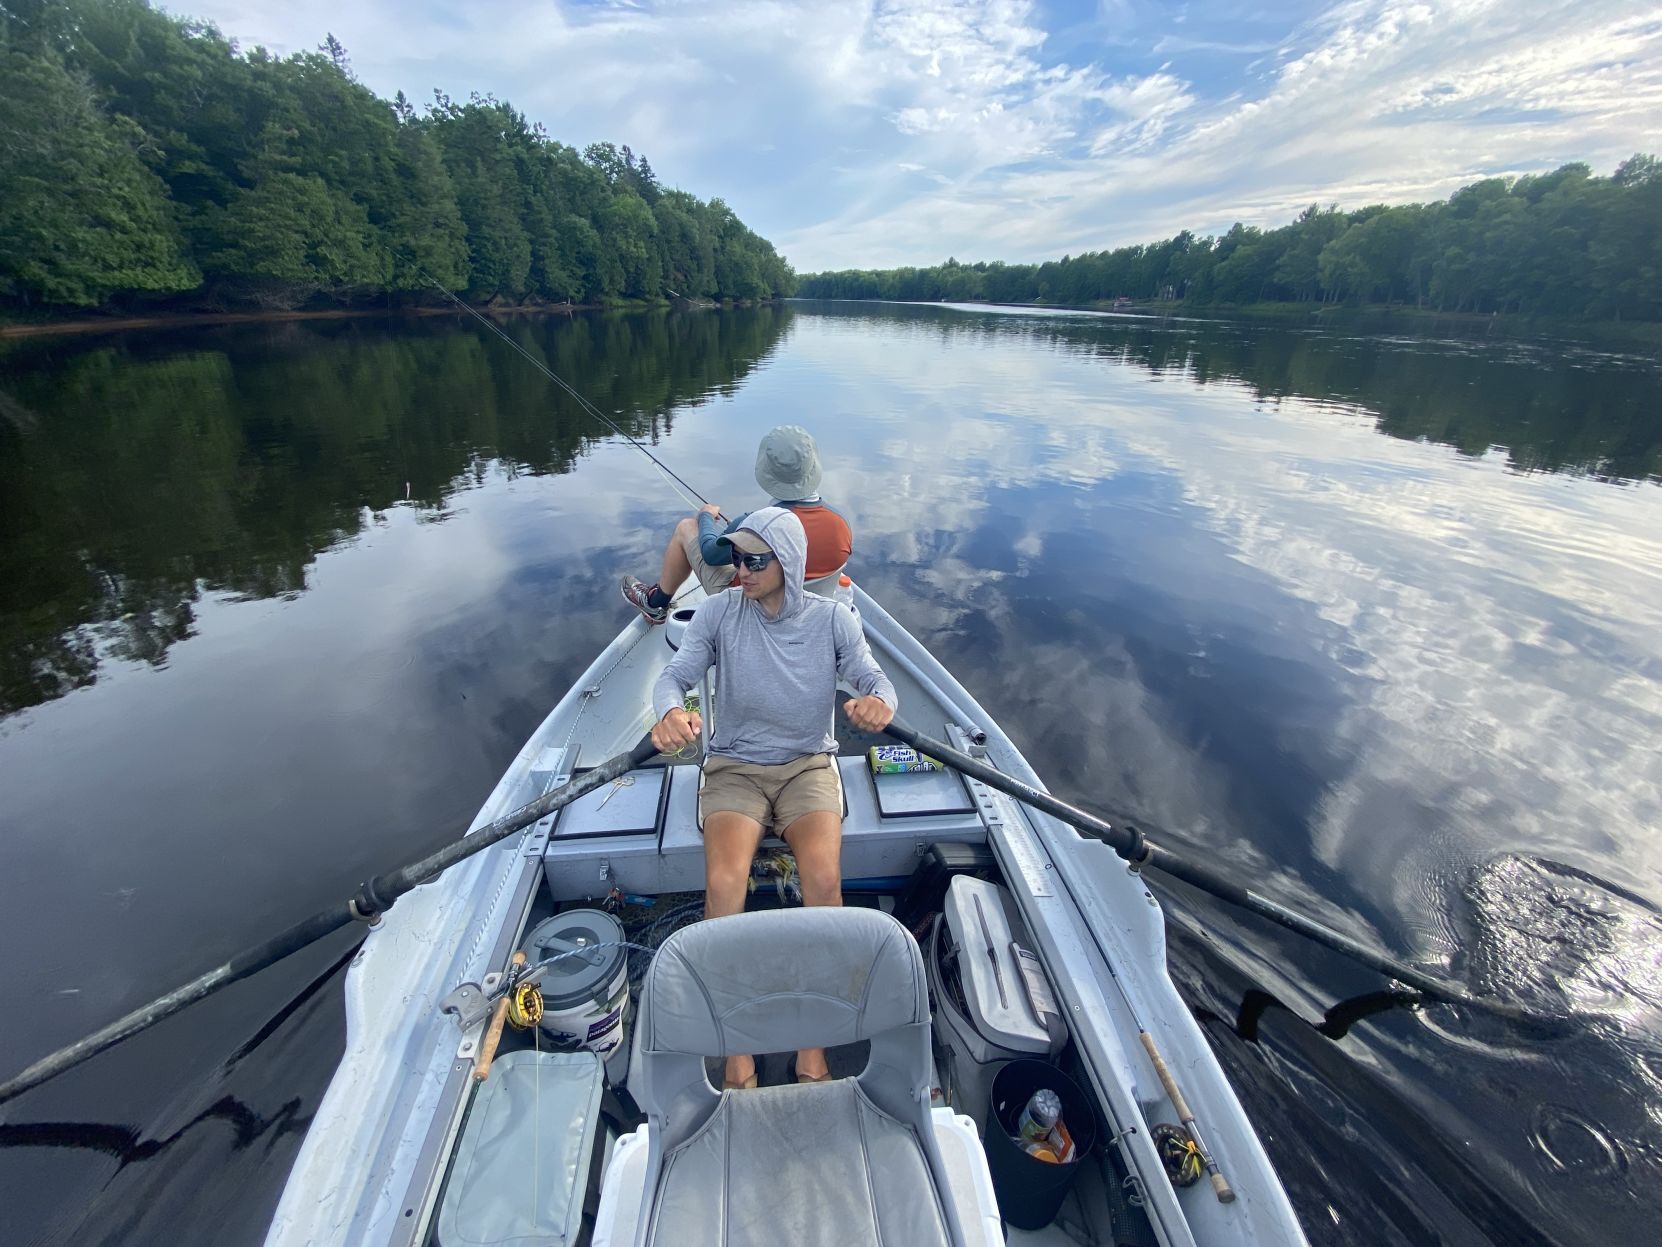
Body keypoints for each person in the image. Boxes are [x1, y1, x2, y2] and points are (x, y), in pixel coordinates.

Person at [648, 506, 896, 1090]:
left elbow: (874, 680)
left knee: (824, 883)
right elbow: (673, 678)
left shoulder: (834, 622)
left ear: (787, 563)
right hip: (735, 767)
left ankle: (813, 1046)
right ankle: (738, 1053)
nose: (740, 569)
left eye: (754, 560)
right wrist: (668, 714)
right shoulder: (716, 614)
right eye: (734, 557)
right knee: (725, 886)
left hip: (808, 765)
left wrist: (879, 705)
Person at [621, 425, 853, 623]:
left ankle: (654, 603)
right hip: (810, 616)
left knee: (685, 528)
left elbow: (710, 555)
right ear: (812, 467)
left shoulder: (753, 523)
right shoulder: (841, 524)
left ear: (765, 471)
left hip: (747, 608)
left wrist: (705, 518)